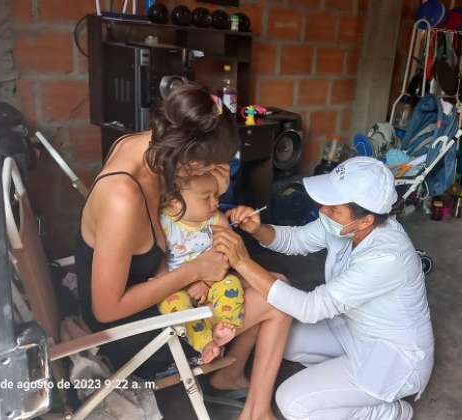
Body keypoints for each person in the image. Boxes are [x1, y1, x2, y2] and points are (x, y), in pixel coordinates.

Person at [75, 85, 291, 420]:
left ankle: (228, 377)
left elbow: (177, 223)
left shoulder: (146, 146)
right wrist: (195, 271)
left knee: (268, 281)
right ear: (190, 163)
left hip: (156, 291)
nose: (217, 175)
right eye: (214, 168)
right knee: (280, 296)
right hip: (127, 336)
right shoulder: (122, 198)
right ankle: (257, 414)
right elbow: (105, 309)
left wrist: (213, 189)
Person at [214, 157, 435, 420]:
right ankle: (343, 384)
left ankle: (391, 412)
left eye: (334, 208)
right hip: (350, 331)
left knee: (293, 403)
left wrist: (242, 262)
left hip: (393, 358)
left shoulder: (387, 257)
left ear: (365, 220)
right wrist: (258, 229)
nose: (323, 210)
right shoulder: (345, 225)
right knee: (277, 337)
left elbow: (310, 309)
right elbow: (296, 240)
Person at [157, 172, 245, 365]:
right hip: (175, 286)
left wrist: (207, 282)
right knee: (172, 305)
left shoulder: (216, 221)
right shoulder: (162, 222)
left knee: (232, 283)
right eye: (206, 198)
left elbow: (226, 256)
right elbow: (158, 261)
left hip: (210, 280)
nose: (215, 203)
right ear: (175, 202)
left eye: (217, 196)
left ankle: (223, 325)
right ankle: (205, 343)